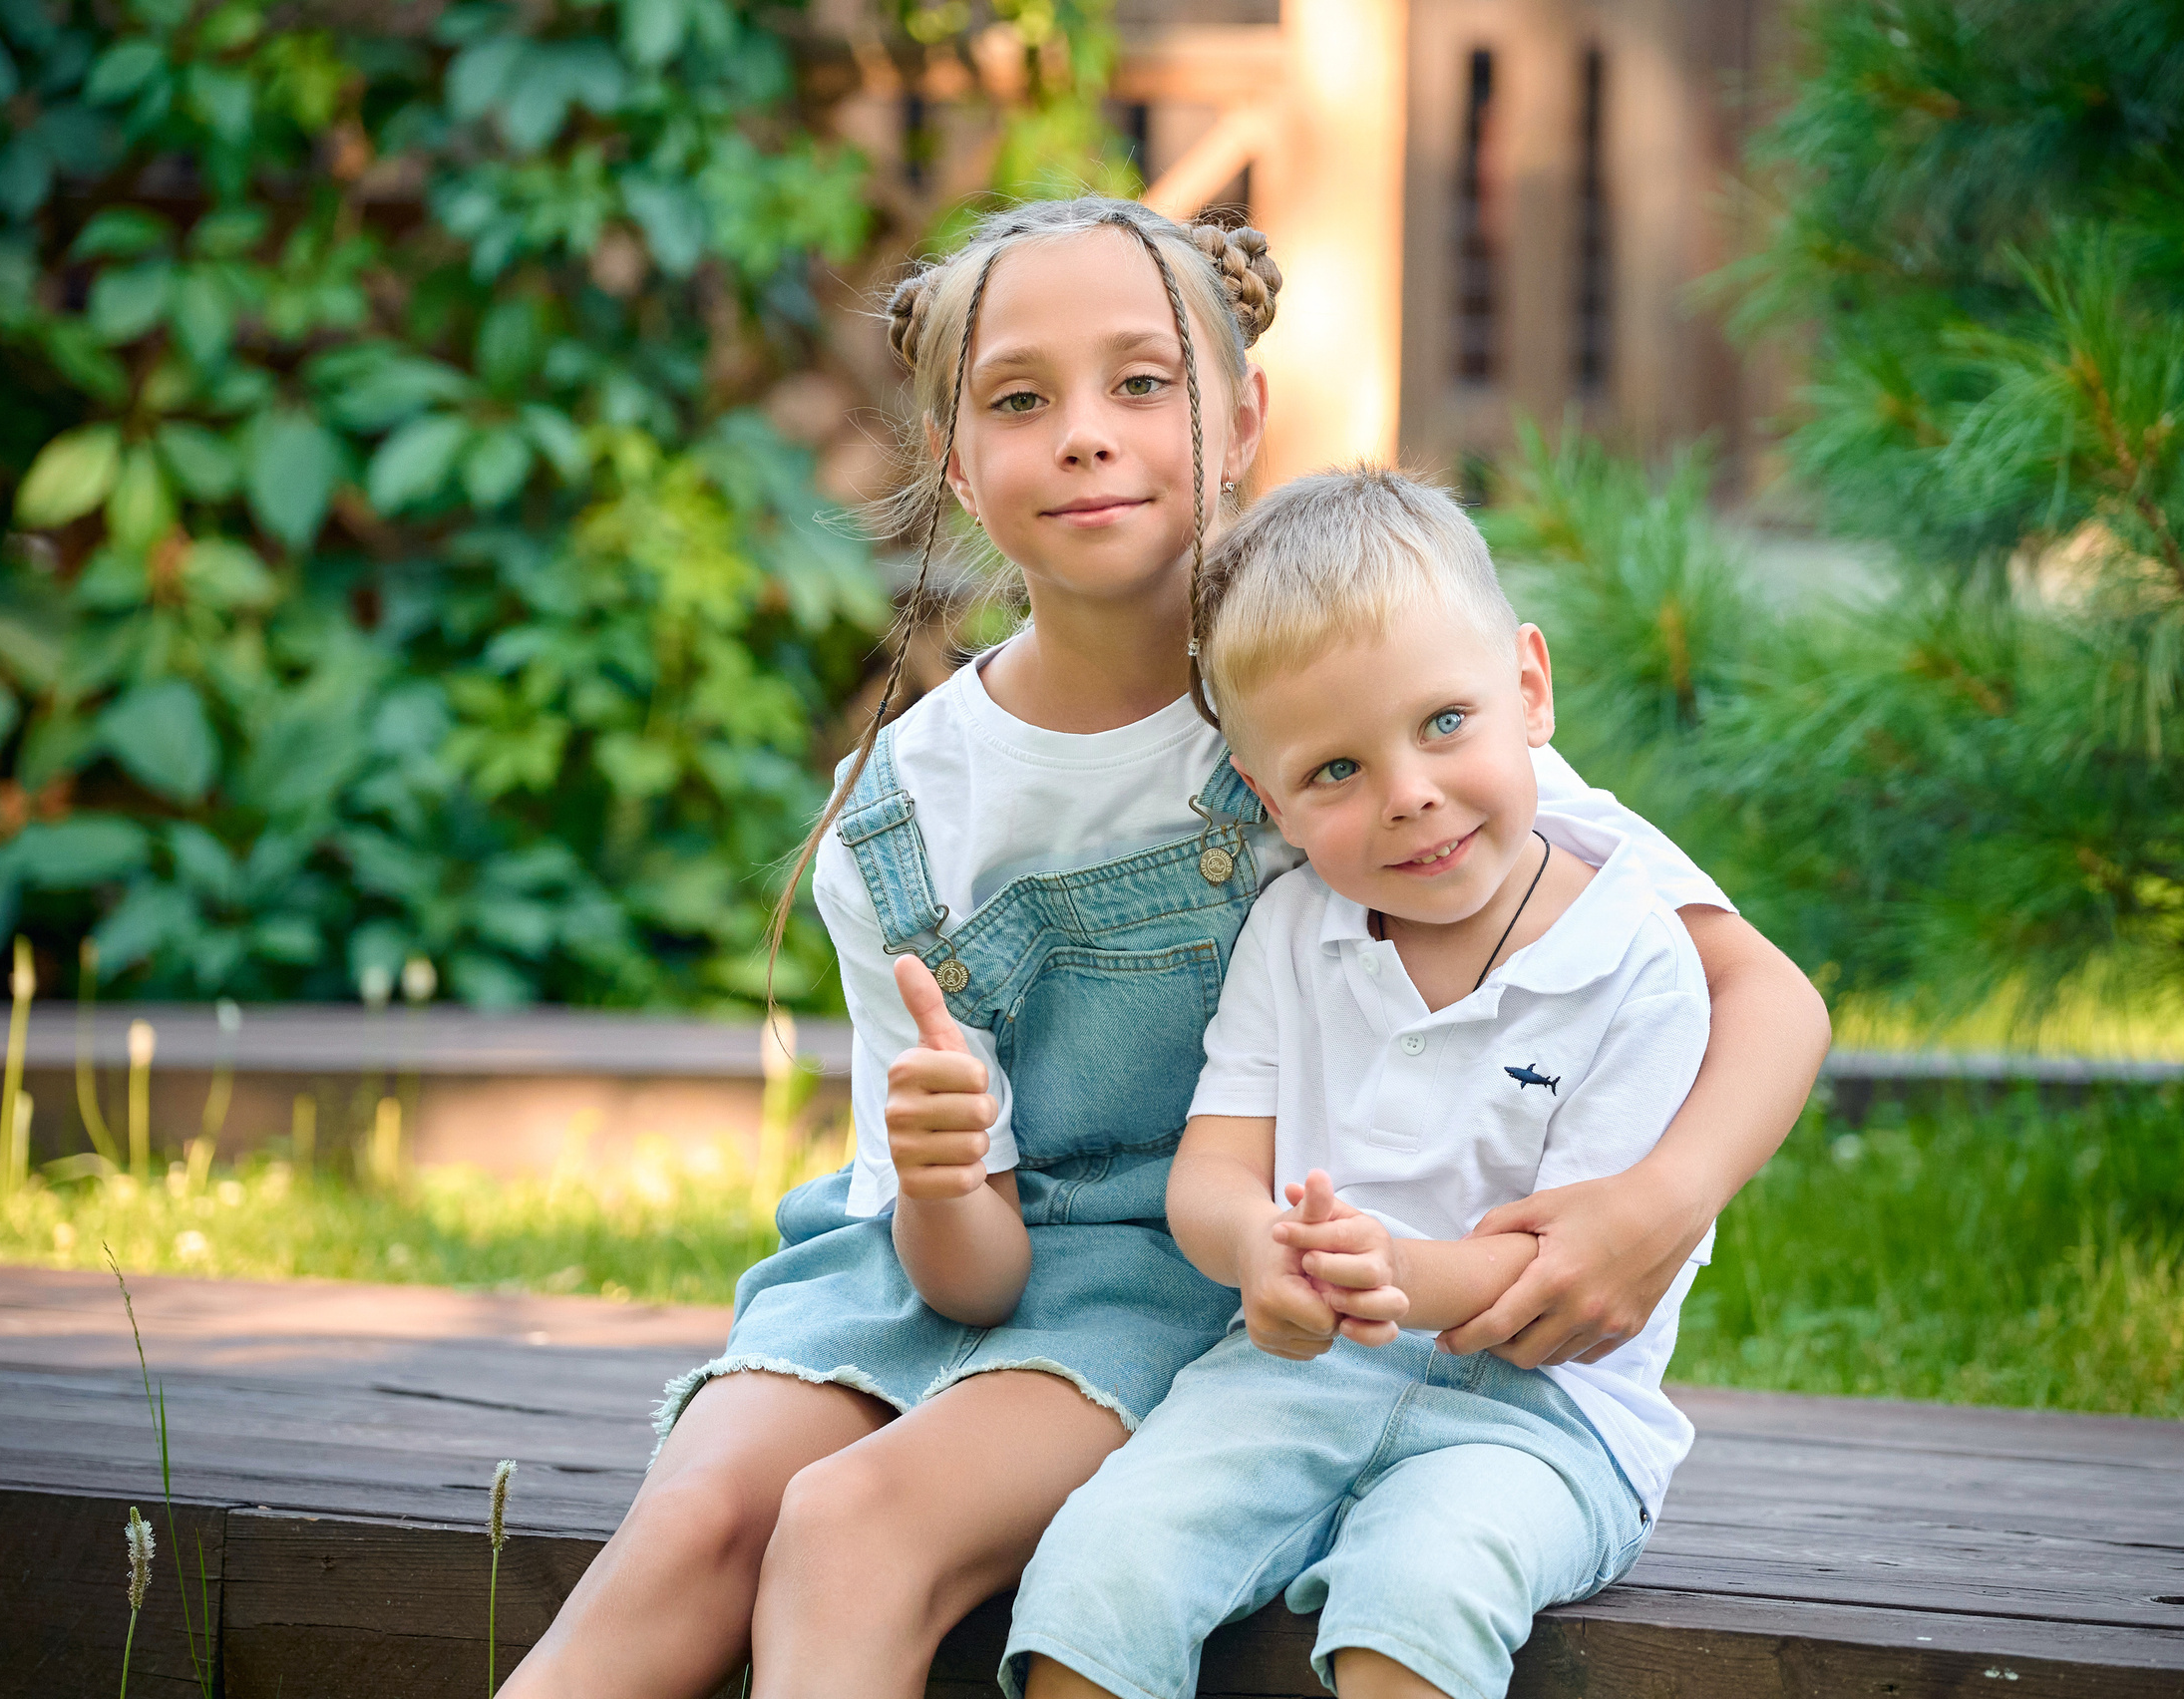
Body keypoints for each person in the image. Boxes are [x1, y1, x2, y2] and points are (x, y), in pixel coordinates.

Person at [501, 196, 1828, 1699]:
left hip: (1191, 1268)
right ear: (952, 459)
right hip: (932, 1264)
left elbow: (1760, 991)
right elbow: (968, 1271)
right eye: (1019, 400)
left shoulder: (1355, 706)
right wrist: (939, 1173)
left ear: (1242, 418)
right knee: (696, 1524)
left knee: (849, 1524)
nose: (1085, 436)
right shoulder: (905, 812)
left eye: (1142, 383)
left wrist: (1658, 1204)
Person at [1012, 468, 1717, 1699]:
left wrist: (1387, 1273)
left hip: (1540, 1423)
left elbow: (1560, 1268)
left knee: (1416, 1597)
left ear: (1529, 689)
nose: (1409, 796)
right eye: (1334, 770)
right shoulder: (1296, 932)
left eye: (1443, 722)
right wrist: (1258, 1251)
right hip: (1289, 1379)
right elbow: (1214, 1174)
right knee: (1093, 1578)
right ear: (1267, 796)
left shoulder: (1638, 962)